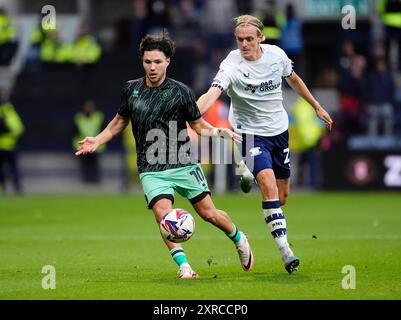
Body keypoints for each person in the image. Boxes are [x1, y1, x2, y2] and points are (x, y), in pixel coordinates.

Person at [75, 31, 253, 279]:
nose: (152, 67)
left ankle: (238, 237)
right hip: (151, 167)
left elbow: (198, 126)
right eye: (148, 62)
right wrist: (97, 138)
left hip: (183, 163)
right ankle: (184, 266)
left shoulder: (181, 92)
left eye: (157, 62)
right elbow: (118, 122)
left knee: (208, 214)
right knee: (164, 216)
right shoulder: (131, 90)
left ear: (168, 61)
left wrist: (218, 132)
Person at [197, 15, 333, 274]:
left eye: (249, 39)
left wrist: (316, 106)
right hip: (249, 133)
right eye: (240, 40)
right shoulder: (230, 64)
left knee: (281, 198)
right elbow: (211, 94)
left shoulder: (277, 56)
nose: (244, 44)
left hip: (278, 131)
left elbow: (293, 79)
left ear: (261, 38)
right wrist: (191, 112)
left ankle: (246, 172)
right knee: (269, 187)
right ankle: (286, 252)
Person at [73, 99, 105, 184]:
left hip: (96, 146)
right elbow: (74, 132)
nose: (88, 109)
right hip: (82, 145)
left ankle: (95, 180)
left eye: (90, 107)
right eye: (87, 107)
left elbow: (104, 130)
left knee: (94, 164)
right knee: (85, 164)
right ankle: (86, 180)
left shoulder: (98, 116)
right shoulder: (79, 117)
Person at [0, 89, 24, 195]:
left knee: (13, 169)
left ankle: (17, 188)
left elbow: (19, 128)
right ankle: (3, 189)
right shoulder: (8, 110)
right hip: (4, 146)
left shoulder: (9, 110)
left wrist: (7, 129)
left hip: (10, 145)